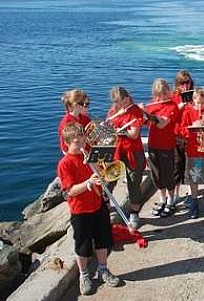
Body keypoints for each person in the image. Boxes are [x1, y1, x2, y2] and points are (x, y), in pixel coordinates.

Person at [57, 123, 122, 295]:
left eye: (83, 140)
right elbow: (69, 191)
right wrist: (88, 184)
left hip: (98, 204)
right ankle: (84, 275)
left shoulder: (90, 155)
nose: (81, 145)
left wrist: (103, 173)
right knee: (83, 246)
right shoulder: (65, 163)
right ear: (67, 143)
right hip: (80, 210)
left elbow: (102, 174)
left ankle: (103, 269)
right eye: (77, 142)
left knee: (103, 240)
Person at [107, 86, 146, 230]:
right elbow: (109, 127)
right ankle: (106, 204)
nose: (119, 105)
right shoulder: (114, 110)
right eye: (116, 102)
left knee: (134, 182)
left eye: (121, 102)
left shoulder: (136, 111)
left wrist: (122, 131)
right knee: (110, 178)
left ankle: (134, 213)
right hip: (117, 150)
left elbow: (134, 134)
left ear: (127, 98)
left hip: (133, 152)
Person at [143, 78, 180, 218]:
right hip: (153, 145)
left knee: (167, 174)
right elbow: (145, 123)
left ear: (168, 92)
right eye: (158, 95)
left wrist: (148, 115)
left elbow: (161, 124)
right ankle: (162, 198)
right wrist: (141, 114)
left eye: (163, 94)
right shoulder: (152, 105)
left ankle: (171, 200)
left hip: (166, 146)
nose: (160, 98)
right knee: (156, 175)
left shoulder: (172, 107)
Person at [180, 88, 204, 219]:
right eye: (197, 103)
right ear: (193, 101)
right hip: (193, 152)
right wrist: (193, 127)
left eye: (203, 103)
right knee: (194, 179)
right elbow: (182, 131)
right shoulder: (187, 112)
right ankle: (194, 203)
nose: (200, 106)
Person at [171, 70, 194, 205]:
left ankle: (191, 194)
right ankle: (175, 194)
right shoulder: (174, 97)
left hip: (190, 136)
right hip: (177, 136)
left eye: (187, 82)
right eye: (182, 83)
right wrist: (178, 107)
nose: (185, 86)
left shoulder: (194, 96)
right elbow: (169, 117)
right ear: (177, 84)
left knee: (190, 167)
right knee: (177, 166)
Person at [58, 89, 91, 154]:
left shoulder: (85, 118)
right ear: (75, 105)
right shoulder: (66, 123)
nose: (87, 107)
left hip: (88, 151)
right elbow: (65, 149)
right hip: (78, 155)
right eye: (85, 105)